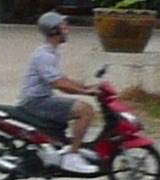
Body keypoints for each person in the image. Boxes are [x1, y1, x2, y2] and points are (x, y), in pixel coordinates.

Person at [18, 10, 104, 170]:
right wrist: (85, 92)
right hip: (36, 102)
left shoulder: (51, 52)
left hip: (42, 99)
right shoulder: (44, 55)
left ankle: (69, 149)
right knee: (86, 110)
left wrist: (87, 87)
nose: (67, 29)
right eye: (63, 26)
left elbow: (63, 79)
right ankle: (72, 156)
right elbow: (59, 84)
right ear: (53, 31)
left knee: (79, 108)